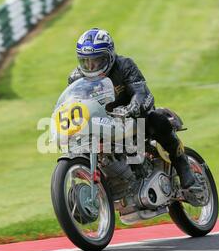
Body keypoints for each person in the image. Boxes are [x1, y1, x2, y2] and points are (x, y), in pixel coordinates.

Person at [68, 28, 197, 189]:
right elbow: (73, 103)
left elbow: (140, 91)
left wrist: (133, 106)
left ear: (109, 56)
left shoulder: (124, 66)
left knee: (156, 119)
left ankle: (181, 162)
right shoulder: (76, 78)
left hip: (131, 116)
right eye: (85, 61)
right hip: (101, 121)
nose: (91, 66)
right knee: (78, 143)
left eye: (97, 60)